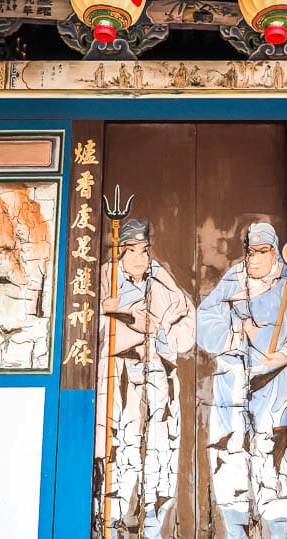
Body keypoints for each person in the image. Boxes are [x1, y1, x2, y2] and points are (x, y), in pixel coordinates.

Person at [94, 219, 195, 538]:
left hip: (156, 377)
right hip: (117, 376)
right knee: (117, 449)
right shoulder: (103, 281)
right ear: (120, 251)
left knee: (157, 451)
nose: (140, 258)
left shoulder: (163, 281)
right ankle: (110, 523)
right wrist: (108, 311)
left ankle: (153, 525)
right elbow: (76, 321)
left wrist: (162, 331)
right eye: (131, 250)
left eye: (145, 250)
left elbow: (186, 327)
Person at [197, 222, 287, 538]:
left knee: (274, 461)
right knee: (230, 459)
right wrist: (238, 333)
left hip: (276, 385)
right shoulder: (235, 279)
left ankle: (279, 530)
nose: (254, 260)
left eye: (262, 252)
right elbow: (205, 319)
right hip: (234, 384)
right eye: (250, 252)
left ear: (274, 253)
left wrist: (286, 354)